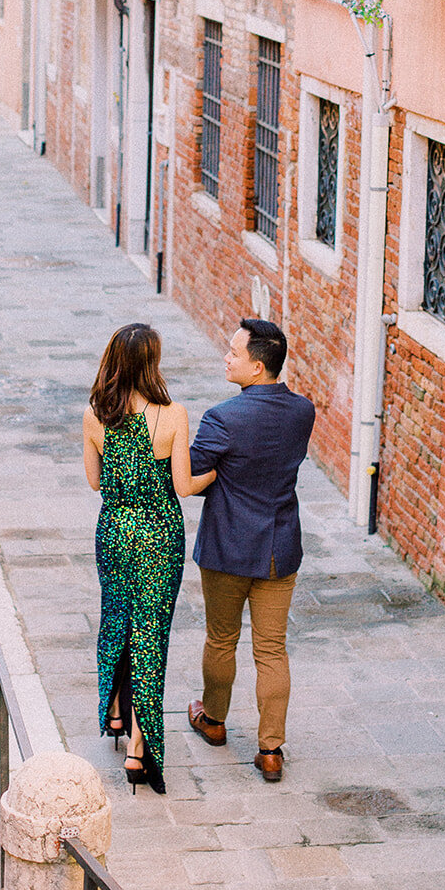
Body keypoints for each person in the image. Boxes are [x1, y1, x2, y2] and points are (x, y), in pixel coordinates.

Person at [176, 318, 314, 784]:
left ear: (257, 367)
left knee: (221, 638)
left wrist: (215, 471)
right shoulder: (303, 412)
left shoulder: (223, 418)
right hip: (279, 548)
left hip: (229, 548)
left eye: (234, 353)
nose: (226, 358)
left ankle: (213, 720)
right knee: (272, 649)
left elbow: (193, 475)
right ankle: (271, 749)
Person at [83, 323, 215, 794]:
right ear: (150, 364)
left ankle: (116, 712)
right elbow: (183, 485)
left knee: (116, 618)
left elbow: (95, 482)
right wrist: (214, 473)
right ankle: (140, 748)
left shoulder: (94, 415)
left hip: (115, 532)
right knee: (150, 637)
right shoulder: (173, 414)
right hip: (159, 536)